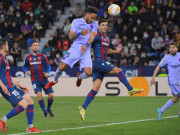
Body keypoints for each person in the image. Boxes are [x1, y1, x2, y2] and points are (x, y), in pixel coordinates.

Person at [78, 19, 144, 120]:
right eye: (103, 25)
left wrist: (116, 51)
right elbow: (90, 41)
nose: (105, 26)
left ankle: (83, 108)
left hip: (100, 64)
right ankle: (131, 89)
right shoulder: (96, 35)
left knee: (96, 88)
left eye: (106, 25)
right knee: (119, 70)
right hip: (98, 62)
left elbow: (107, 50)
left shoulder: (107, 38)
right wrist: (85, 45)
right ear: (99, 26)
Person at [45, 6, 98, 89]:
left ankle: (80, 77)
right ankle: (54, 81)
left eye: (94, 18)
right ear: (87, 14)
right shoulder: (76, 21)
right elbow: (70, 37)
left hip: (86, 49)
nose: (92, 20)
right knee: (62, 66)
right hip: (76, 47)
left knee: (88, 73)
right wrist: (80, 33)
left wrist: (86, 45)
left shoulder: (95, 23)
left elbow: (92, 37)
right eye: (92, 18)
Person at [0, 39, 41, 133]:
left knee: (30, 101)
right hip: (7, 87)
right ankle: (3, 120)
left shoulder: (4, 59)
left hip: (11, 86)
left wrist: (19, 85)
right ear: (4, 47)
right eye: (7, 44)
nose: (8, 46)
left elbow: (8, 76)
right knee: (23, 104)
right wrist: (3, 87)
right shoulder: (0, 58)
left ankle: (30, 128)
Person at [23, 41, 54, 117]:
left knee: (51, 96)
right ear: (31, 47)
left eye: (37, 45)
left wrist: (48, 72)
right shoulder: (28, 58)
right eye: (34, 45)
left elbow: (48, 66)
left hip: (44, 79)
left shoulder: (43, 56)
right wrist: (26, 71)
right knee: (39, 96)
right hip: (35, 80)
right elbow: (24, 66)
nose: (36, 46)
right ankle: (45, 112)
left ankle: (48, 109)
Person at [150, 42, 180, 120]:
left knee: (175, 99)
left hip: (179, 80)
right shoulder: (166, 58)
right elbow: (158, 67)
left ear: (177, 48)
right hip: (172, 80)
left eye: (173, 47)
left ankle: (161, 110)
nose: (172, 49)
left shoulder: (179, 55)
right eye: (170, 47)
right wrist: (153, 77)